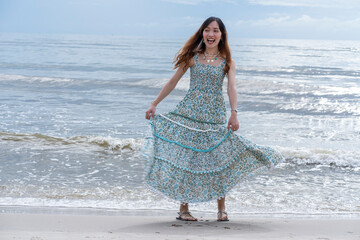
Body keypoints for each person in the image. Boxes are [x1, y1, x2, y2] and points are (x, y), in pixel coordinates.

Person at [144, 16, 283, 222]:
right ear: (203, 33)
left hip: (215, 115)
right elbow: (173, 81)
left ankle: (221, 210)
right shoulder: (192, 57)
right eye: (207, 30)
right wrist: (155, 103)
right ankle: (184, 209)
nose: (211, 34)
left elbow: (231, 88)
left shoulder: (227, 62)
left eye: (215, 30)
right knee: (187, 161)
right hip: (189, 112)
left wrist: (234, 113)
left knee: (218, 160)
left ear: (221, 35)